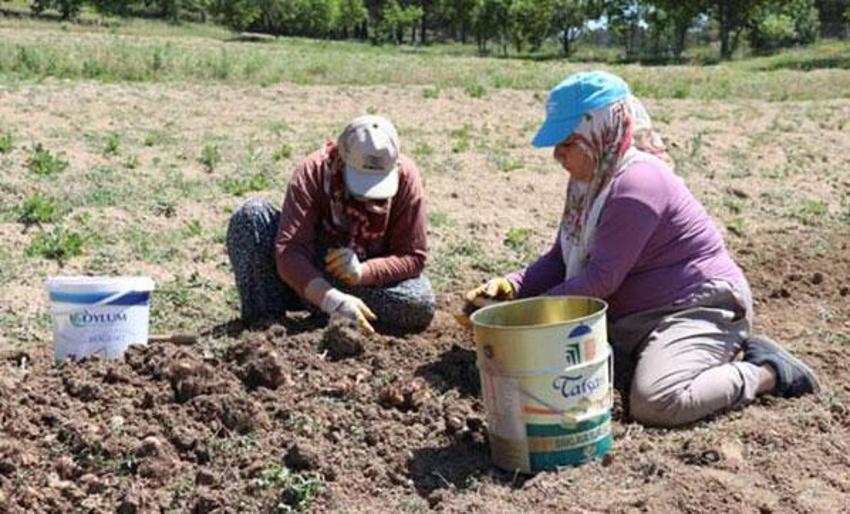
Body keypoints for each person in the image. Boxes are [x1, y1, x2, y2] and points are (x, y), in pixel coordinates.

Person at [463, 71, 820, 428]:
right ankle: (668, 357)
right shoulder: (588, 183)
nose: (558, 154)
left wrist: (520, 318)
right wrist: (510, 287)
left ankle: (765, 370)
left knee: (657, 402)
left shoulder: (636, 184)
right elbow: (561, 259)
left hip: (695, 307)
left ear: (600, 132)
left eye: (568, 142)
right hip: (634, 315)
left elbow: (600, 280)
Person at [227, 115, 435, 335]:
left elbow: (412, 256)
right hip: (305, 273)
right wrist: (333, 300)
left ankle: (337, 313)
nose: (366, 197)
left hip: (359, 284)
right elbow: (290, 251)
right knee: (250, 217)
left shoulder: (406, 178)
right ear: (341, 159)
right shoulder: (314, 171)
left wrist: (363, 272)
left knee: (419, 303)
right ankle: (268, 323)